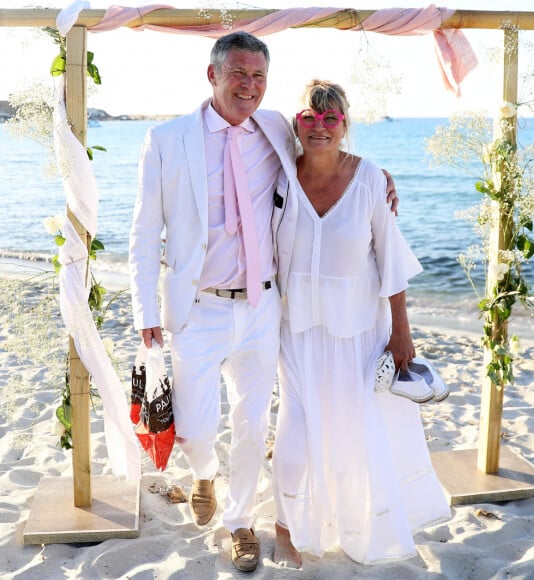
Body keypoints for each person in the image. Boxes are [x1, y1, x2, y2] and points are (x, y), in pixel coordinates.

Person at [129, 33, 398, 573]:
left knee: (253, 423)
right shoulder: (165, 139)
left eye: (258, 77)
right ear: (213, 75)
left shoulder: (276, 127)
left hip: (261, 307)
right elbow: (143, 232)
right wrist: (145, 311)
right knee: (197, 427)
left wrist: (380, 176)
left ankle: (239, 522)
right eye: (238, 74)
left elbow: (325, 152)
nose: (249, 86)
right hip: (196, 308)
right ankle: (204, 471)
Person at [271, 80, 451, 568]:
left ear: (345, 125)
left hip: (359, 330)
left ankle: (352, 524)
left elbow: (390, 260)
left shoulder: (371, 179)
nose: (320, 126)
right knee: (295, 429)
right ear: (296, 123)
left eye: (331, 118)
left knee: (355, 431)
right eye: (310, 116)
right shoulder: (280, 173)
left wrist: (402, 331)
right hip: (297, 329)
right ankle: (284, 527)